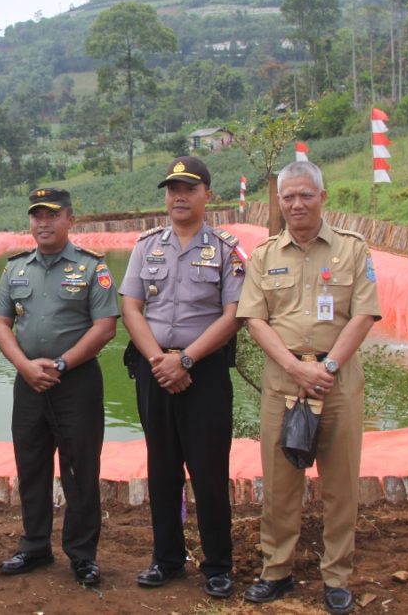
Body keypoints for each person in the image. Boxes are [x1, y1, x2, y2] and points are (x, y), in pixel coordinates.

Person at [236, 161, 380, 615]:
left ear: (322, 196)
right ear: (278, 202)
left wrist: (329, 365)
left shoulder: (352, 250)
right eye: (288, 197)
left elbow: (364, 314)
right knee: (280, 483)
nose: (296, 204)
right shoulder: (263, 256)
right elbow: (254, 319)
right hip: (284, 381)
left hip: (337, 381)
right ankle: (276, 570)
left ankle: (337, 577)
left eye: (305, 195)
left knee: (340, 484)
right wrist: (295, 369)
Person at [120, 157, 244, 597]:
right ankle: (166, 559)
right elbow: (131, 308)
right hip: (155, 370)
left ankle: (217, 564)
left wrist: (186, 360)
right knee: (162, 469)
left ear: (207, 195)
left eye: (189, 188)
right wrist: (159, 360)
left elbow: (233, 315)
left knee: (210, 470)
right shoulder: (146, 246)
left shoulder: (227, 249)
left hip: (203, 373)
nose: (179, 196)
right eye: (172, 189)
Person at [0, 187, 119, 586]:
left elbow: (105, 327)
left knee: (80, 468)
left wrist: (62, 363)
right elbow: (0, 322)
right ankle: (34, 546)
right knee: (31, 465)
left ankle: (82, 555)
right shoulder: (15, 268)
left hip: (76, 383)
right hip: (28, 382)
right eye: (36, 215)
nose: (42, 223)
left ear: (70, 219)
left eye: (52, 214)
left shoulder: (91, 267)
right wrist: (24, 365)